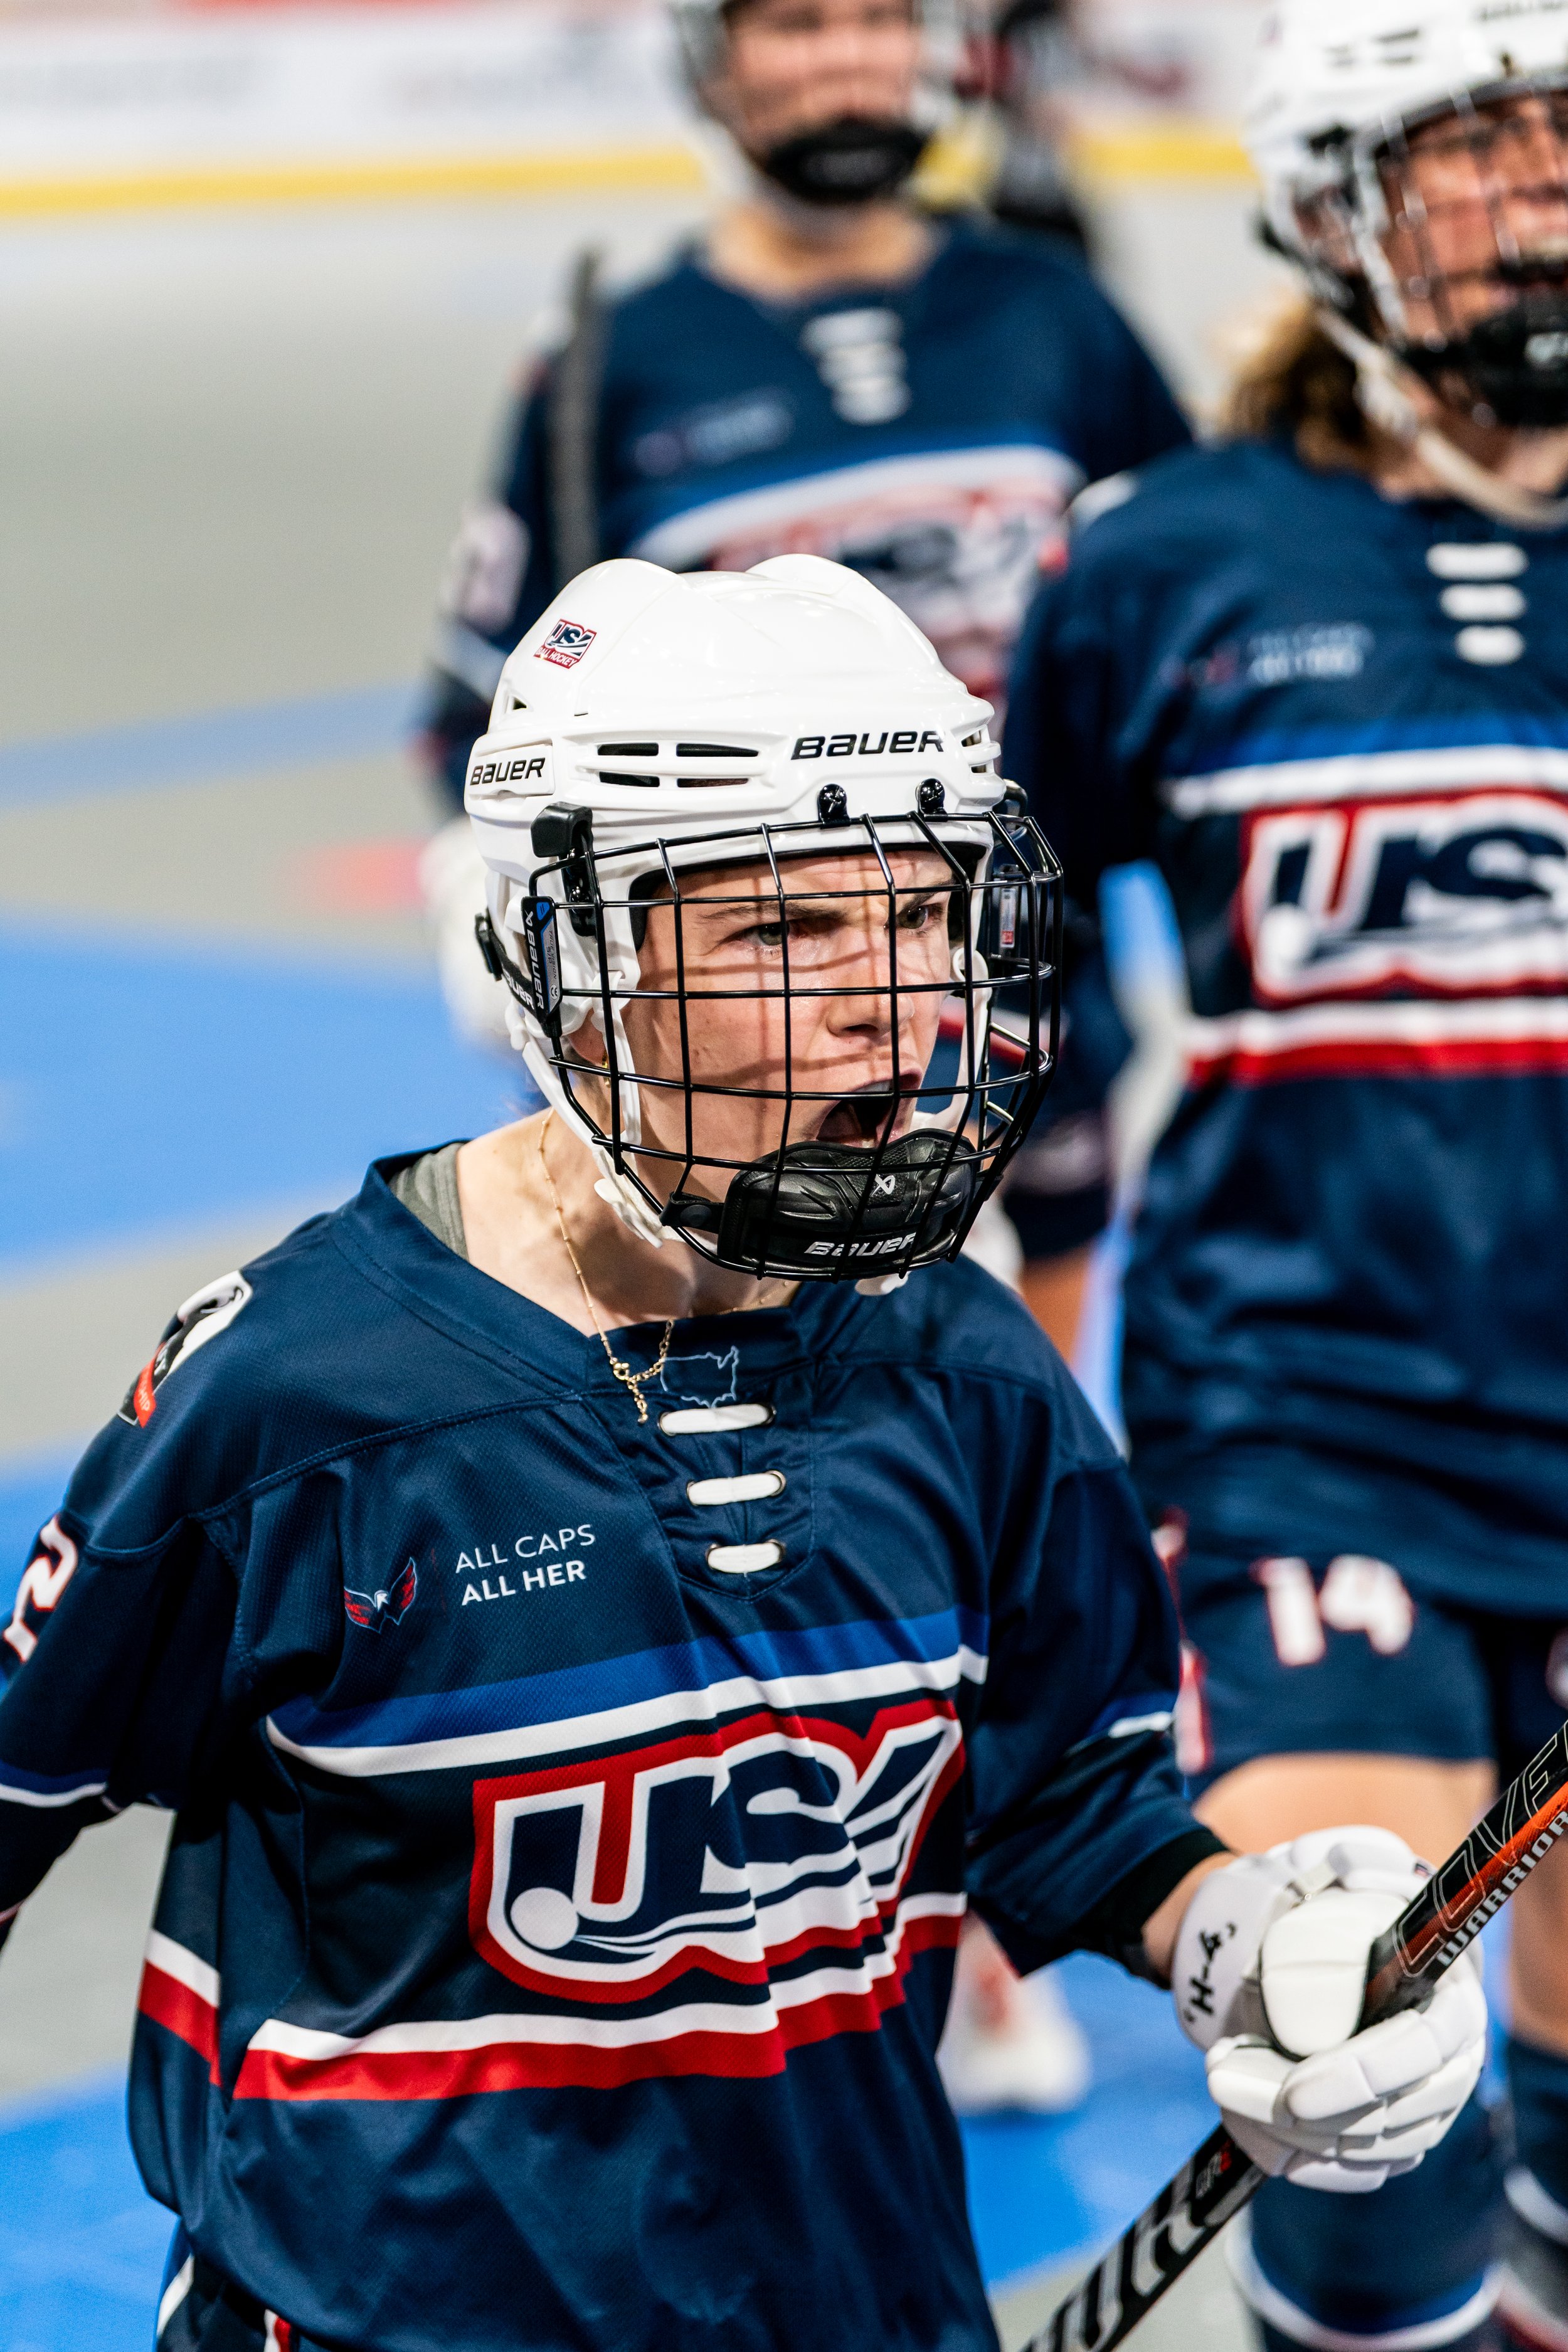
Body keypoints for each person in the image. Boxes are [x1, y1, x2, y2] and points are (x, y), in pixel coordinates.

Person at [3, 558, 1485, 2352]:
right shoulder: (298, 1404)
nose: (884, 999)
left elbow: (1070, 1806)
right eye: (783, 933)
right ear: (573, 960)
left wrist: (1243, 1938)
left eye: (918, 911)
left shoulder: (968, 1368)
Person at [420, 0, 1189, 2109]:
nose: (844, 65)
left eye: (876, 20)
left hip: (1023, 1016)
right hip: (744, 1061)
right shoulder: (610, 365)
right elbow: (480, 704)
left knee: (999, 1470)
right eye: (796, 27)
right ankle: (804, 1909)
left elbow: (1186, 637)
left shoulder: (1063, 320)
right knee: (780, 1471)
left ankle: (966, 1924)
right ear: (715, 66)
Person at [1003, 3, 1568, 2346]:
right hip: (1309, 1413)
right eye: (1480, 164)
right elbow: (1006, 963)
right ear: (1328, 210)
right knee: (1373, 2081)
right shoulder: (1170, 561)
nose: (1541, 207)